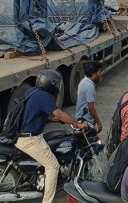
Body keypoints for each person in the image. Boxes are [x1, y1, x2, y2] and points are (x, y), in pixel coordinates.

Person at [15, 70, 89, 203]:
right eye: (56, 83)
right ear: (51, 83)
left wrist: (50, 120)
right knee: (53, 167)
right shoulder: (44, 96)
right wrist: (77, 124)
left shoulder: (32, 91)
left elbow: (32, 114)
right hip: (30, 139)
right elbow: (59, 114)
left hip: (24, 135)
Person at [75, 61, 103, 132]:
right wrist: (98, 123)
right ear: (94, 74)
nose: (100, 74)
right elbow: (91, 108)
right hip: (86, 121)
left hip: (80, 118)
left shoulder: (83, 81)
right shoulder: (89, 86)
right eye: (99, 72)